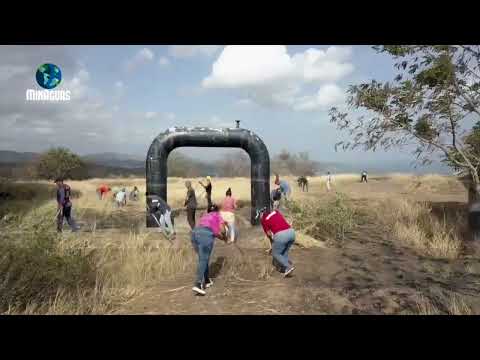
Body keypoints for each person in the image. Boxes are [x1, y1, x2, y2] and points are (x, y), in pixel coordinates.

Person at [191, 204, 229, 295]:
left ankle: (207, 280)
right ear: (217, 211)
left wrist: (222, 238)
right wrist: (225, 237)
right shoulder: (217, 215)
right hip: (205, 236)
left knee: (203, 259)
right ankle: (198, 284)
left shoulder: (205, 217)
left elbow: (214, 233)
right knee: (204, 259)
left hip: (194, 234)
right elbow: (222, 230)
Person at [257, 207, 295, 277]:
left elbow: (269, 234)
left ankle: (288, 266)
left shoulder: (263, 219)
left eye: (259, 215)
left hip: (281, 235)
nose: (259, 217)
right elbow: (281, 221)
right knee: (284, 252)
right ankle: (286, 270)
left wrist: (272, 245)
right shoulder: (275, 212)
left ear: (261, 214)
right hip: (291, 232)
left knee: (275, 253)